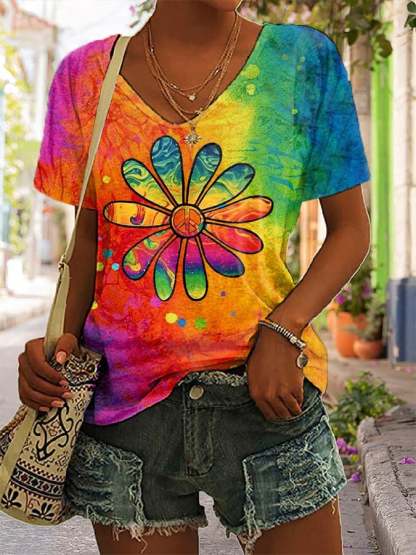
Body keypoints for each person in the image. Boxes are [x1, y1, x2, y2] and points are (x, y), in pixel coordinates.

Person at [18, 0, 371, 553]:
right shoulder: (86, 77)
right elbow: (89, 238)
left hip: (266, 398)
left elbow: (350, 229)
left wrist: (285, 329)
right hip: (128, 414)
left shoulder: (303, 62)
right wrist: (54, 348)